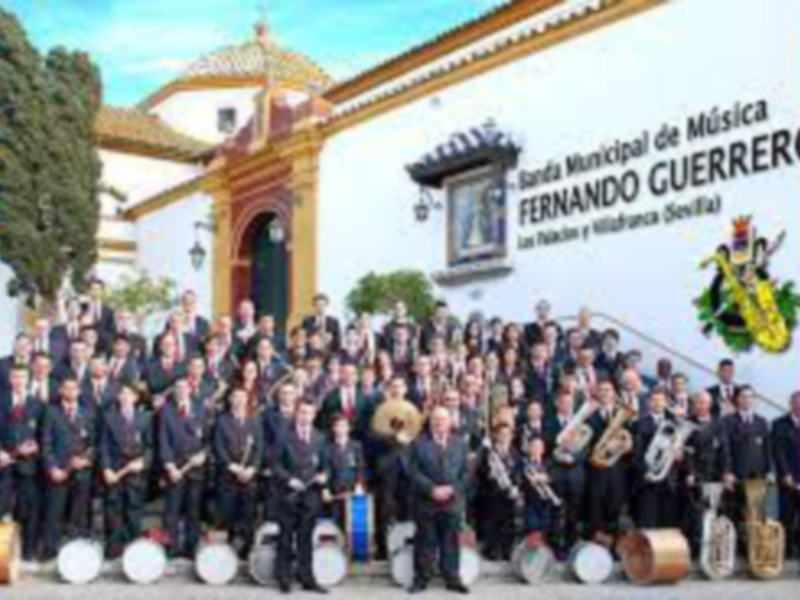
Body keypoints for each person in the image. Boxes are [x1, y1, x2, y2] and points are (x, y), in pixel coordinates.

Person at [407, 406, 470, 594]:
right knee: (424, 541)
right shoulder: (418, 444)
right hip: (426, 501)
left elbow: (467, 473)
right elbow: (413, 472)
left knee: (451, 541)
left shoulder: (460, 444)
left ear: (450, 422)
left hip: (452, 502)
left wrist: (452, 489)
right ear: (430, 422)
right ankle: (421, 579)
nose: (439, 422)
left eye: (443, 419)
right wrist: (431, 489)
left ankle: (452, 578)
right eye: (435, 419)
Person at [272, 400, 329, 593]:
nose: (306, 417)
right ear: (296, 413)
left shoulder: (320, 437)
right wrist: (289, 479)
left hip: (311, 496)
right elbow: (275, 465)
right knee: (285, 539)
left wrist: (324, 476)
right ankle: (284, 578)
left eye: (309, 413)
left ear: (314, 415)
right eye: (302, 412)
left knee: (306, 539)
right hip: (288, 494)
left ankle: (307, 579)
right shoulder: (283, 435)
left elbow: (325, 466)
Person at [41, 376, 98, 560]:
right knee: (54, 513)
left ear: (79, 391)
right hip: (58, 473)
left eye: (74, 388)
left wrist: (86, 460)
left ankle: (77, 554)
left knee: (79, 514)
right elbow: (46, 444)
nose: (71, 391)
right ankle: (50, 551)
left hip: (82, 472)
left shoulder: (88, 413)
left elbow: (95, 443)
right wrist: (53, 468)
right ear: (61, 391)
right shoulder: (51, 412)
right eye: (67, 388)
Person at [159, 378, 213, 558]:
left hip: (196, 469)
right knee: (171, 511)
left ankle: (191, 549)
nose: (181, 390)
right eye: (178, 388)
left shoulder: (201, 409)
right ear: (174, 391)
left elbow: (208, 439)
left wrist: (203, 455)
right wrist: (170, 467)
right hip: (175, 470)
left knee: (193, 510)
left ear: (191, 390)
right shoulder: (166, 411)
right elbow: (164, 441)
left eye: (184, 387)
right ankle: (170, 549)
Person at [100, 384, 152, 557]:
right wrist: (106, 469)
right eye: (122, 393)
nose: (125, 396)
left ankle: (132, 549)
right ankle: (114, 548)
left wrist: (143, 462)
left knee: (133, 510)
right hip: (115, 472)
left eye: (129, 393)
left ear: (136, 398)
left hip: (136, 473)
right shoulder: (108, 418)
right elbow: (104, 446)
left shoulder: (145, 417)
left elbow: (150, 446)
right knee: (113, 510)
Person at [0, 366, 44, 560]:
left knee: (29, 508)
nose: (18, 380)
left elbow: (44, 433)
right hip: (3, 464)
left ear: (28, 379)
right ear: (10, 379)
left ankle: (29, 550)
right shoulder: (1, 400)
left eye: (22, 377)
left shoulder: (37, 404)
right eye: (15, 376)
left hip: (29, 465)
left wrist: (36, 446)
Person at [214, 387, 264, 556]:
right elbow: (218, 447)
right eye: (235, 397)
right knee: (228, 513)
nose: (239, 400)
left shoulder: (255, 421)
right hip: (228, 476)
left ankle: (247, 549)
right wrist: (232, 466)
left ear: (247, 400)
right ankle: (228, 550)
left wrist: (252, 468)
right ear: (230, 400)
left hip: (249, 477)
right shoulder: (221, 421)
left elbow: (259, 449)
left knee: (248, 514)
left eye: (242, 397)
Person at [585, 379, 630, 546]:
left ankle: (613, 544)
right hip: (596, 467)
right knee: (596, 507)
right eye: (601, 390)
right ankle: (595, 545)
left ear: (614, 394)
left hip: (617, 468)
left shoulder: (623, 414)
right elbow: (584, 440)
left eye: (608, 390)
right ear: (597, 393)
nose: (604, 393)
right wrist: (598, 450)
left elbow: (628, 438)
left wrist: (621, 445)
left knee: (614, 505)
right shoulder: (589, 415)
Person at [633, 389, 680, 528]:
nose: (657, 403)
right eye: (654, 400)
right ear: (649, 403)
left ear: (665, 403)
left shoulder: (675, 423)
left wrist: (679, 454)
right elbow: (637, 453)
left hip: (668, 479)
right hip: (648, 479)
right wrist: (645, 472)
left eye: (660, 400)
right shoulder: (639, 423)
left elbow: (678, 446)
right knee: (648, 520)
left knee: (667, 521)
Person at [475, 423, 520, 561]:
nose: (504, 437)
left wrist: (516, 486)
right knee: (492, 524)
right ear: (496, 436)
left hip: (509, 494)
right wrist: (489, 473)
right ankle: (492, 550)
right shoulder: (488, 452)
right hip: (492, 493)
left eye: (507, 434)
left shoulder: (514, 452)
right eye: (501, 434)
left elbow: (518, 471)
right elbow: (479, 470)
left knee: (509, 524)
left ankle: (507, 551)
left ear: (511, 436)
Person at [323, 415, 366, 529]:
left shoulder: (356, 446)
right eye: (338, 426)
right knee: (336, 524)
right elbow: (325, 469)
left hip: (352, 490)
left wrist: (359, 485)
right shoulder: (327, 447)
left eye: (344, 426)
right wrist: (325, 488)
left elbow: (360, 467)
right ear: (333, 428)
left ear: (349, 428)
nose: (341, 429)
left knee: (354, 524)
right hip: (335, 492)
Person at [772, 391, 800, 557]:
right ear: (791, 404)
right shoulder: (779, 424)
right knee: (786, 516)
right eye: (796, 403)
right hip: (787, 479)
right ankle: (786, 549)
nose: (799, 406)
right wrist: (785, 474)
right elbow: (778, 451)